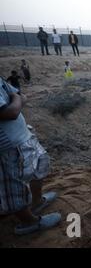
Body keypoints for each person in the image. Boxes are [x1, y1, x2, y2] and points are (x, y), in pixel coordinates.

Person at [0, 77, 61, 235]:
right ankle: (29, 222)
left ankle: (37, 201)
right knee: (14, 187)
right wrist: (15, 98)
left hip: (22, 136)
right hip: (6, 145)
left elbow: (22, 97)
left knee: (40, 164)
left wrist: (16, 99)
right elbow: (11, 112)